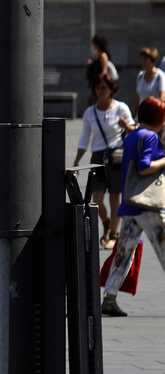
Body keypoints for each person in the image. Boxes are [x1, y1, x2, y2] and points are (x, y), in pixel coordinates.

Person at [100, 97, 165, 317]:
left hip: (130, 205)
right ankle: (109, 299)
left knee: (123, 254)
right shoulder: (150, 137)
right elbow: (145, 166)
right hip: (148, 206)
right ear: (157, 118)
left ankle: (109, 298)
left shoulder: (132, 135)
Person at [73, 74, 134, 250]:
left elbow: (134, 129)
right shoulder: (90, 113)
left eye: (104, 88)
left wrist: (127, 127)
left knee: (115, 197)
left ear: (111, 90)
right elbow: (85, 139)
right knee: (96, 197)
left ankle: (114, 234)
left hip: (117, 156)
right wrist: (77, 160)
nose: (100, 91)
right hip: (98, 158)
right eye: (98, 87)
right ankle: (106, 223)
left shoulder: (121, 108)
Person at [85, 34, 119, 105]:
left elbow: (104, 70)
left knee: (96, 102)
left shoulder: (103, 56)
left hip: (99, 83)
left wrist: (102, 83)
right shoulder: (97, 55)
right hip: (94, 83)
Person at [133, 48, 165, 115]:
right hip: (141, 116)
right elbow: (137, 97)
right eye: (142, 59)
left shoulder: (160, 76)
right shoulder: (140, 76)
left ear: (153, 61)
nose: (143, 62)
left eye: (145, 59)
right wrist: (132, 115)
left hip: (154, 115)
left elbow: (162, 97)